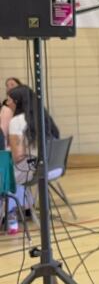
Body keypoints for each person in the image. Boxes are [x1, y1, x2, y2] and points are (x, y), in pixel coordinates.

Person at [4, 84, 60, 234]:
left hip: (32, 170)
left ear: (18, 102)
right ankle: (25, 208)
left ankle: (11, 216)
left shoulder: (16, 122)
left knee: (6, 175)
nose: (6, 103)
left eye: (9, 100)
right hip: (53, 167)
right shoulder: (44, 116)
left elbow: (18, 157)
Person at [1, 77, 22, 148]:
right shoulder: (5, 109)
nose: (9, 87)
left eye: (12, 84)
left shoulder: (26, 105)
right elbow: (3, 131)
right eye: (7, 85)